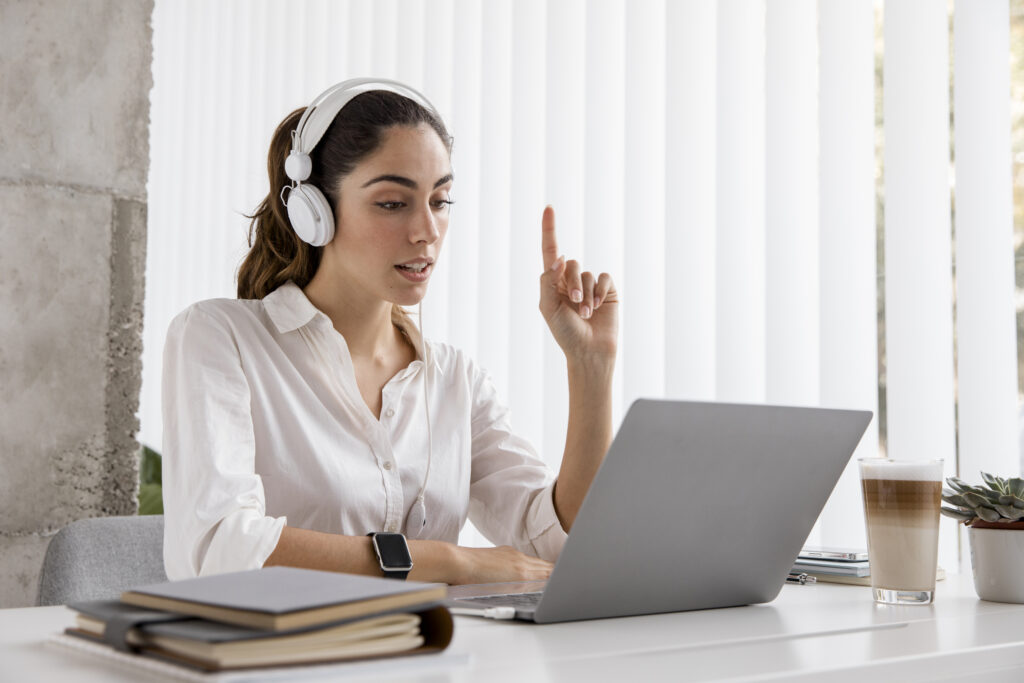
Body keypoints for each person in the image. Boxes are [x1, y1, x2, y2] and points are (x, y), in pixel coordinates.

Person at [161, 79, 618, 584]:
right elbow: (218, 548)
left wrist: (590, 366)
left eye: (441, 201)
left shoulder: (454, 381)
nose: (427, 230)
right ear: (313, 212)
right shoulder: (220, 339)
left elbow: (558, 543)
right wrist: (451, 561)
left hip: (429, 655)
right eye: (393, 203)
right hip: (280, 658)